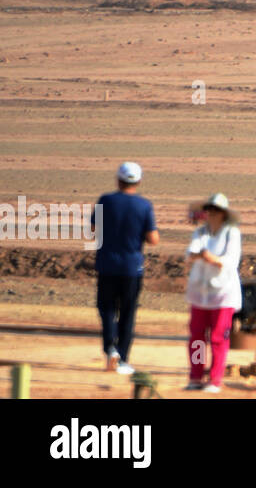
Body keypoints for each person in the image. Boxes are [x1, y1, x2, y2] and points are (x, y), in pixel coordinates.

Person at [93, 161, 160, 376]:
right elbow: (153, 239)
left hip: (107, 265)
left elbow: (94, 229)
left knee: (107, 309)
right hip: (132, 268)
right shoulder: (144, 206)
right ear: (138, 181)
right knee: (128, 313)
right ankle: (122, 358)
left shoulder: (105, 201)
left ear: (118, 180)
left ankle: (110, 348)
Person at [185, 193, 242, 393]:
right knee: (197, 337)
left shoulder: (231, 233)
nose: (211, 213)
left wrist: (211, 258)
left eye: (215, 210)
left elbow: (230, 261)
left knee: (218, 337)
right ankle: (196, 376)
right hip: (200, 292)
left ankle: (215, 379)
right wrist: (201, 255)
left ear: (223, 214)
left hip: (223, 293)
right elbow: (191, 253)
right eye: (208, 209)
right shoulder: (201, 233)